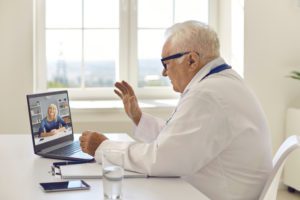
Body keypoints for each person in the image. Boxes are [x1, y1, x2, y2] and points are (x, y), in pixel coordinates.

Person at [79, 20, 272, 200]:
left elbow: (162, 160)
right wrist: (139, 118)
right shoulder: (221, 83)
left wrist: (104, 148)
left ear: (191, 61)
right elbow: (179, 141)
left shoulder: (207, 94)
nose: (164, 72)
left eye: (166, 63)